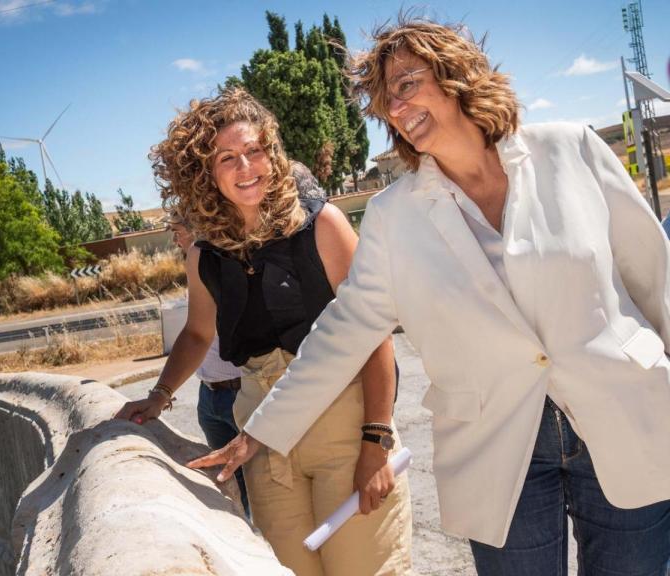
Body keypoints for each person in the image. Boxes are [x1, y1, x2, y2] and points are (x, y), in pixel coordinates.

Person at [188, 17, 670, 576]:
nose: (395, 108)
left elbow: (653, 278)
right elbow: (344, 331)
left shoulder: (572, 150)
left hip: (624, 418)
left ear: (457, 75)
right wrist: (259, 431)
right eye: (385, 101)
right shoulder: (394, 216)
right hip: (497, 445)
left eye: (407, 84)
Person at [116, 88, 413, 576]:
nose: (245, 167)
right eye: (227, 158)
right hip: (262, 438)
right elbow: (197, 333)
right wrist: (159, 395)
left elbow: (375, 333)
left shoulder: (323, 225)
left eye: (254, 150)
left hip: (346, 422)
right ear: (205, 174)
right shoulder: (204, 255)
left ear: (272, 153)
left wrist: (376, 441)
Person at [164, 209, 249, 516]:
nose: (176, 241)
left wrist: (160, 393)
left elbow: (199, 334)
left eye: (178, 232)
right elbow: (197, 334)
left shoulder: (229, 266)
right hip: (210, 396)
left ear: (197, 228)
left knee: (260, 486)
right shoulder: (197, 269)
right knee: (231, 486)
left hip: (242, 393)